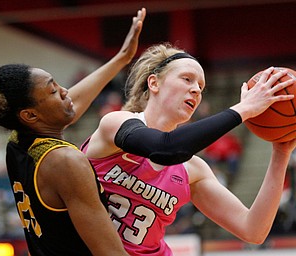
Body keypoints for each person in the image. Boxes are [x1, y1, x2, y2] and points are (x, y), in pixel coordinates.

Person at [81, 43, 296, 255]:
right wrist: (244, 109)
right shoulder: (115, 124)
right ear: (154, 83)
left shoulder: (193, 170)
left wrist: (280, 153)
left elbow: (253, 230)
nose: (196, 89)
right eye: (187, 79)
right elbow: (166, 148)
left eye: (201, 88)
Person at [0, 8, 146, 256]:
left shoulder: (18, 142)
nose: (65, 90)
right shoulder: (66, 162)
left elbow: (69, 105)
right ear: (30, 115)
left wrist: (121, 58)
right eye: (53, 90)